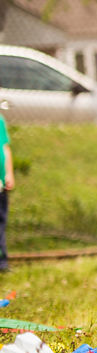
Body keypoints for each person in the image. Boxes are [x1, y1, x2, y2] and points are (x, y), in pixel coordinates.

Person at [0, 107, 13, 272]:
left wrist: (9, 173)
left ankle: (2, 263)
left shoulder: (0, 120)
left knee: (1, 222)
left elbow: (5, 148)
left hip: (1, 186)